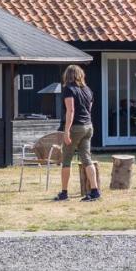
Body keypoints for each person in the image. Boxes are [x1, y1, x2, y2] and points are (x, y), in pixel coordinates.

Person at [56, 64, 100, 201]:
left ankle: (64, 193)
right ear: (80, 75)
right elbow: (89, 109)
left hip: (75, 127)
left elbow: (71, 111)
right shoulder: (87, 89)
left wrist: (66, 131)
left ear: (67, 75)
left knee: (66, 160)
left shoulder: (68, 89)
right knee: (87, 159)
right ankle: (94, 191)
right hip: (88, 126)